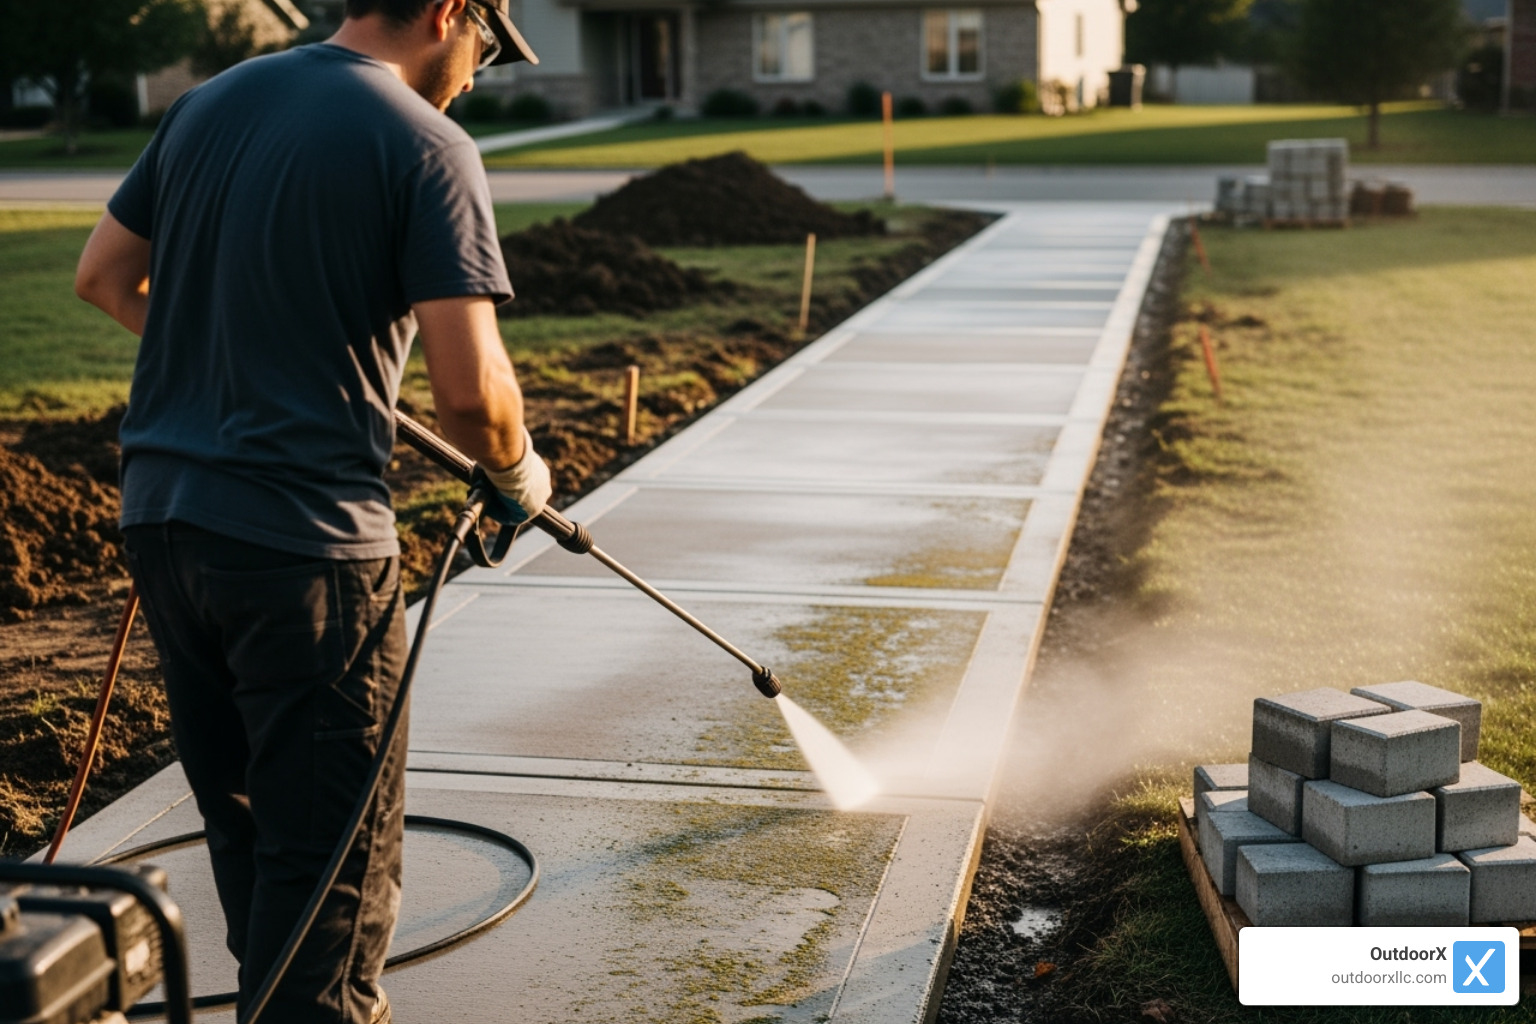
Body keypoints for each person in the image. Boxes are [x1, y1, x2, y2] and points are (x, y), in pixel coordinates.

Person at [73, 2, 546, 1020]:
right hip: (306, 551)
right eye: (488, 50)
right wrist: (517, 472)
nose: (476, 76)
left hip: (165, 525)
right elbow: (472, 396)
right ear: (450, 12)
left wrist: (237, 351)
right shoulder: (427, 144)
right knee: (331, 890)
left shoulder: (208, 103)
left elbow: (104, 277)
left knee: (251, 844)